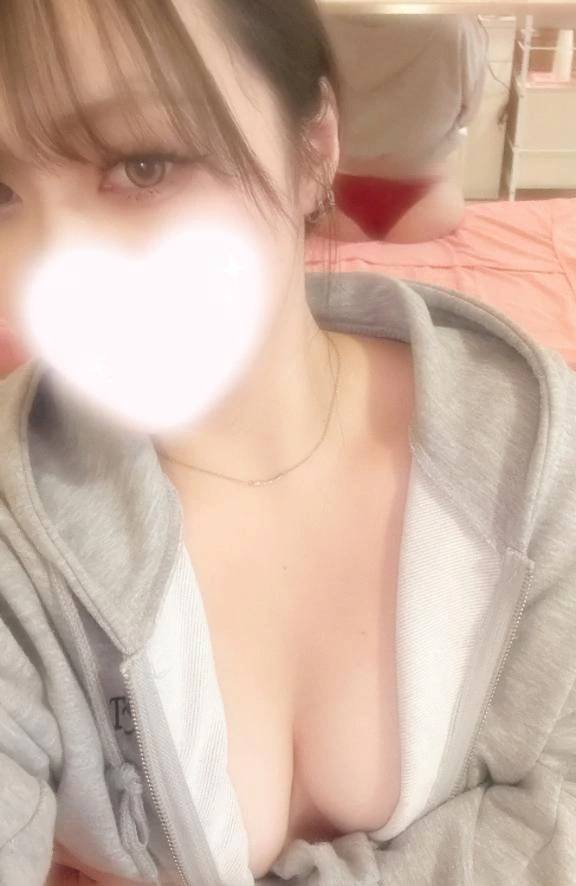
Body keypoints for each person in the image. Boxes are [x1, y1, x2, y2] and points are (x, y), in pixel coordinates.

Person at [0, 2, 575, 885]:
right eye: (0, 195)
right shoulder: (18, 533)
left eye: (143, 164)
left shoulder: (536, 459)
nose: (50, 281)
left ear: (314, 149)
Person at [315, 13, 488, 243]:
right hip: (427, 192)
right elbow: (469, 111)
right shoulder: (455, 24)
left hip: (336, 191)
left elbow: (305, 107)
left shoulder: (318, 19)